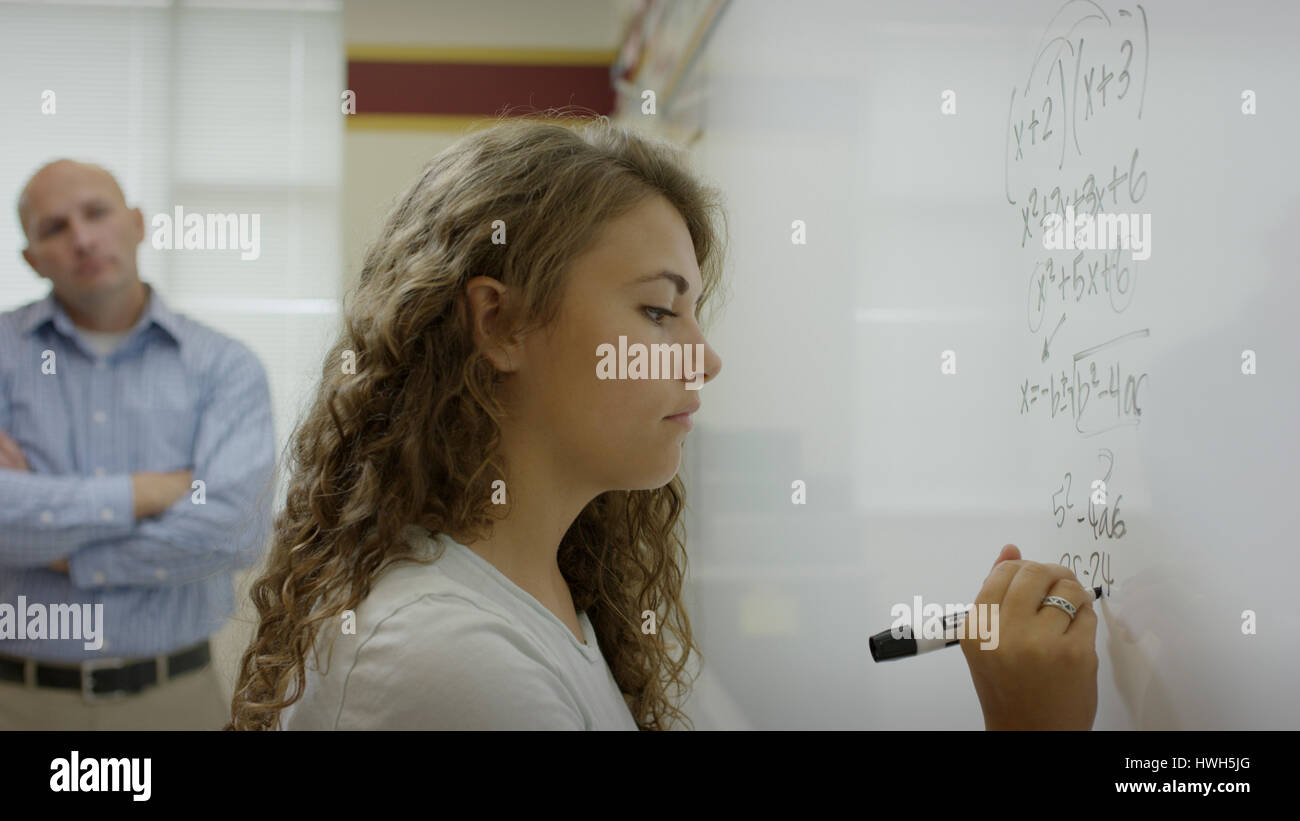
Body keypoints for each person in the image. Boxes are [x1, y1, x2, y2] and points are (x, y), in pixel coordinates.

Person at [228, 116, 1097, 731]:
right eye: (656, 312)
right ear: (499, 323)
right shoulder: (446, 658)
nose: (704, 358)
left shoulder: (544, 589)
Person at [0, 159, 275, 729]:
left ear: (138, 223)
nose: (82, 238)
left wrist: (65, 551)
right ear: (31, 258)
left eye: (96, 213)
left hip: (176, 701)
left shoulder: (225, 367)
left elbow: (232, 530)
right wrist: (148, 492)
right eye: (55, 228)